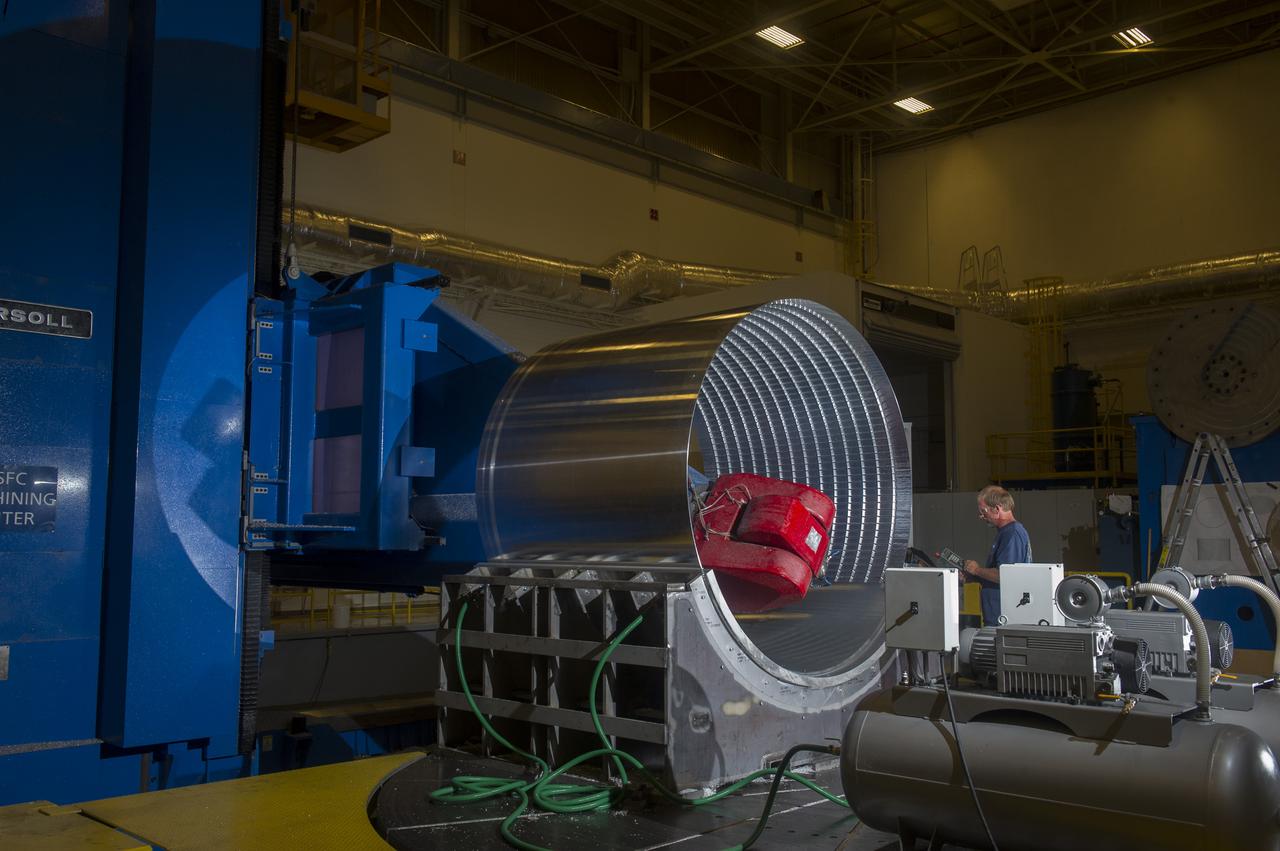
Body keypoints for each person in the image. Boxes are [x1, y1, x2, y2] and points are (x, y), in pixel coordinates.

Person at [963, 485, 1031, 627]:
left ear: (997, 509)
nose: (981, 516)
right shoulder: (1005, 533)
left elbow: (1006, 575)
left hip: (1004, 619)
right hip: (997, 616)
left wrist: (976, 570)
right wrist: (973, 576)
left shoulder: (1012, 534)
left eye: (984, 511)